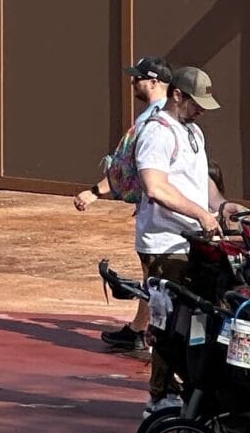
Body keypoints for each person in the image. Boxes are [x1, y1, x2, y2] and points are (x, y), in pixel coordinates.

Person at [136, 65, 243, 412]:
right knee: (168, 324)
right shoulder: (158, 132)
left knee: (193, 321)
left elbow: (200, 181)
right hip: (166, 244)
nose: (200, 110)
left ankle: (184, 388)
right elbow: (156, 187)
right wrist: (200, 213)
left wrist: (220, 205)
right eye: (196, 102)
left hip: (193, 242)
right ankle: (160, 396)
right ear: (177, 95)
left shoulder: (192, 131)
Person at [73, 58, 174, 354]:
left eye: (138, 79)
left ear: (154, 82)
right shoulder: (171, 117)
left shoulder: (154, 121)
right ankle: (139, 330)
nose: (133, 83)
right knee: (153, 274)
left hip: (159, 209)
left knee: (155, 274)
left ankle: (148, 335)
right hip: (162, 205)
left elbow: (126, 167)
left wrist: (95, 192)